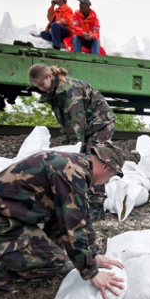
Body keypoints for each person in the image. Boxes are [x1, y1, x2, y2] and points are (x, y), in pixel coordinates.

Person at [0, 142, 127, 299]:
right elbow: (73, 226)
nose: (107, 181)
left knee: (58, 229)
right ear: (106, 166)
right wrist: (91, 272)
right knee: (52, 262)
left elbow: (80, 215)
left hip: (11, 216)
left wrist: (95, 254)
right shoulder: (71, 173)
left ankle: (44, 259)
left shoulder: (76, 165)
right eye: (111, 176)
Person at [28, 64, 116, 221]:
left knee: (92, 160)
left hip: (101, 124)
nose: (41, 89)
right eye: (37, 87)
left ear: (50, 76)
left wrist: (74, 148)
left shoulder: (70, 90)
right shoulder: (55, 91)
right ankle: (80, 199)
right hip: (86, 125)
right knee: (75, 158)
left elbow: (76, 123)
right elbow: (68, 124)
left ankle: (97, 205)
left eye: (41, 84)